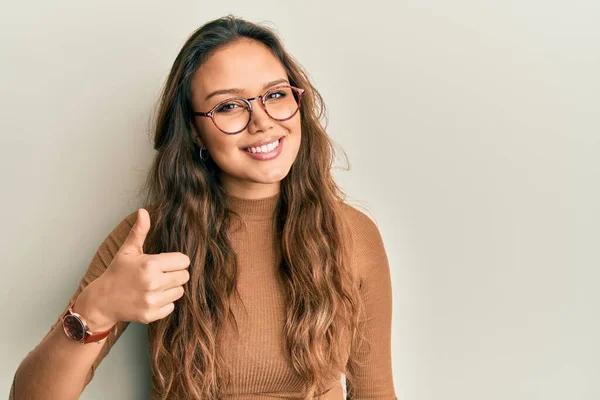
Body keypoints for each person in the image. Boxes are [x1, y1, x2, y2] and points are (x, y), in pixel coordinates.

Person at [10, 15, 396, 400]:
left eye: (276, 95)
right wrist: (98, 307)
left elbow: (376, 394)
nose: (262, 121)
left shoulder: (353, 233)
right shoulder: (149, 237)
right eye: (229, 106)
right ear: (195, 131)